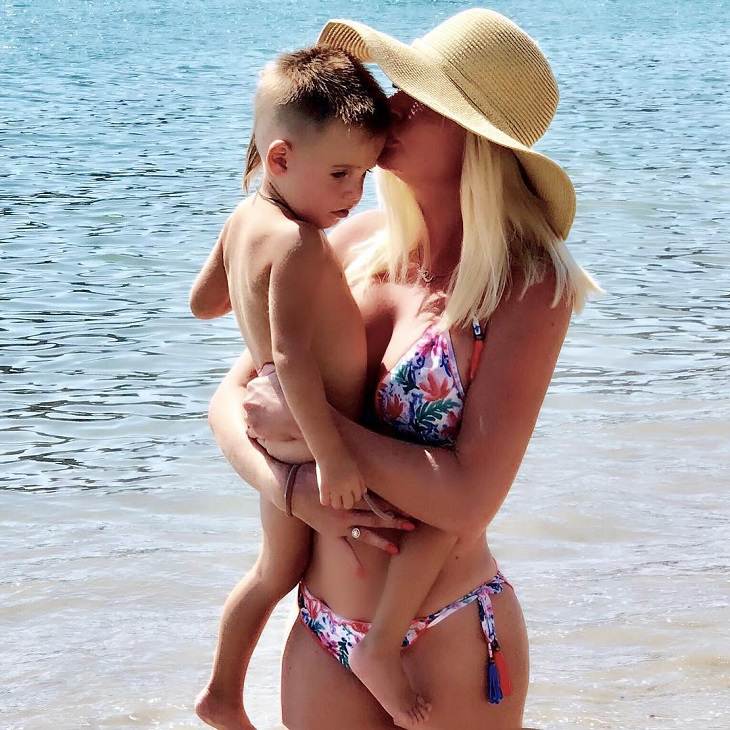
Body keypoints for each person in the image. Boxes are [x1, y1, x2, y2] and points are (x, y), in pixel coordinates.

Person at [193, 8, 602, 729]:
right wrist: (292, 488)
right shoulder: (348, 241)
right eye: (400, 85)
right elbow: (232, 404)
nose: (392, 104)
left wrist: (325, 436)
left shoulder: (528, 285)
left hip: (449, 630)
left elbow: (470, 499)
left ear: (477, 138)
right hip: (323, 629)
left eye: (422, 96)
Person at [192, 44, 463, 730]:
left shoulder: (244, 220)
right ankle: (362, 654)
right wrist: (335, 459)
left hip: (290, 440)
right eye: (341, 174)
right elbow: (289, 357)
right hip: (314, 437)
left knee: (272, 573)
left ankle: (223, 692)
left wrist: (248, 285)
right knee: (428, 521)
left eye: (363, 175)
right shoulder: (298, 244)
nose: (354, 194)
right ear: (280, 158)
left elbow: (203, 303)